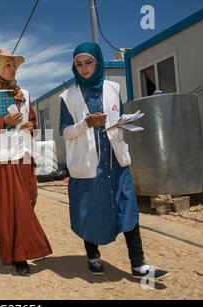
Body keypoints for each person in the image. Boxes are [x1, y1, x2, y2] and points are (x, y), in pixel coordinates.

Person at [59, 42, 169, 280]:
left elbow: (116, 117)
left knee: (128, 210)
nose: (84, 68)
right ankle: (93, 256)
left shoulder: (113, 87)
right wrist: (85, 124)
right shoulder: (68, 97)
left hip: (117, 163)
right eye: (79, 64)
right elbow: (65, 132)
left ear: (98, 62)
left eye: (89, 62)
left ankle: (138, 265)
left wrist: (121, 123)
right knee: (90, 210)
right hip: (90, 167)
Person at [0, 48, 52, 276]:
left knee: (29, 201)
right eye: (7, 65)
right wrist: (3, 122)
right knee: (13, 207)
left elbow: (34, 122)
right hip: (2, 158)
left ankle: (14, 247)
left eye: (14, 65)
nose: (12, 68)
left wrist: (30, 126)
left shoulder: (24, 94)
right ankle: (20, 255)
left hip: (25, 156)